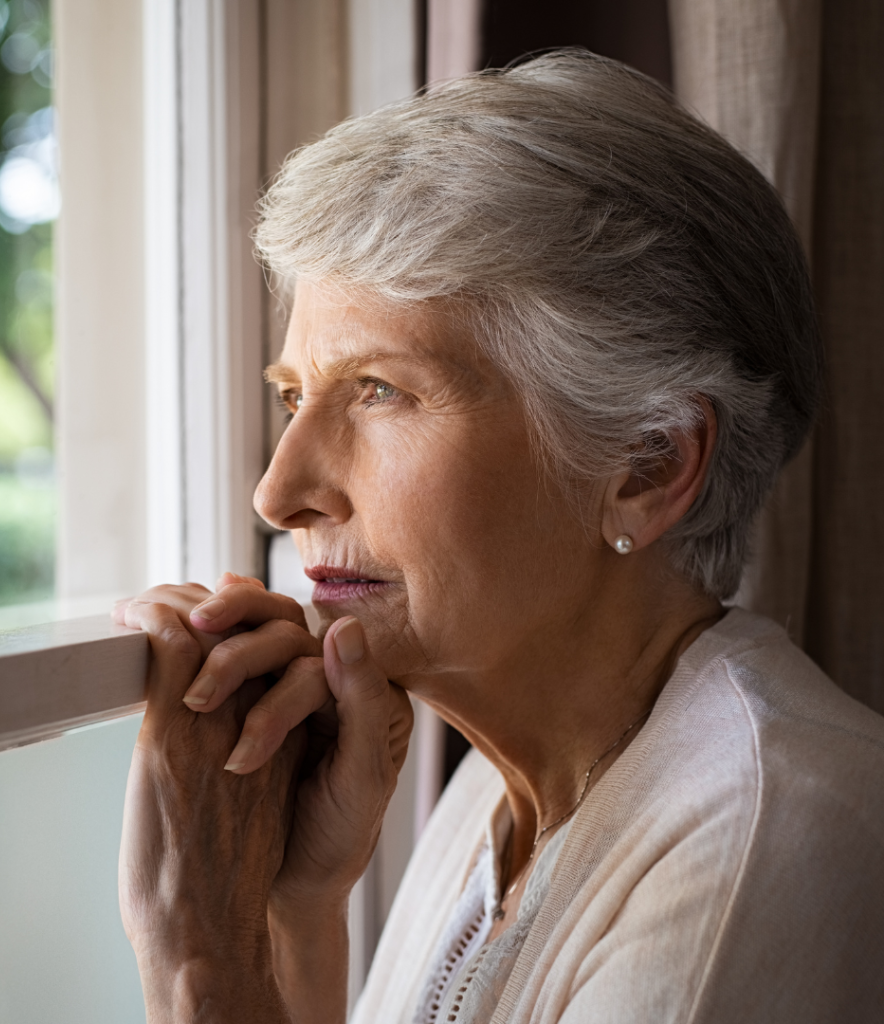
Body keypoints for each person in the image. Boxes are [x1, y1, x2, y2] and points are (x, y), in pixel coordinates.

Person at [112, 50, 884, 1024]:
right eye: (295, 396)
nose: (279, 493)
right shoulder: (495, 791)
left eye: (380, 391)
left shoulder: (771, 841)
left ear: (646, 467)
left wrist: (199, 957)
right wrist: (295, 913)